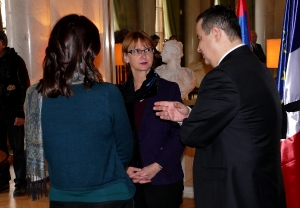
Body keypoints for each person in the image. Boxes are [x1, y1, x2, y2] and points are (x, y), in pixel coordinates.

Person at [153, 5, 286, 208]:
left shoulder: (222, 76)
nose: (198, 47)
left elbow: (192, 135)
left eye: (199, 37)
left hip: (234, 194)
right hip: (261, 188)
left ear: (216, 33)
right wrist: (188, 113)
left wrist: (187, 122)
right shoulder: (256, 65)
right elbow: (233, 117)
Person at [24, 14, 135, 207]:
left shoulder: (36, 95)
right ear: (90, 51)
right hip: (109, 196)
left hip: (62, 197)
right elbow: (125, 149)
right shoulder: (108, 93)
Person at [118, 30, 184, 208]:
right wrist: (123, 169)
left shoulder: (169, 89)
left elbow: (179, 133)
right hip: (129, 179)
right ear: (125, 57)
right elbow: (111, 138)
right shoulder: (118, 94)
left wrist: (157, 166)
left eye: (147, 49)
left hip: (163, 177)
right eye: (136, 51)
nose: (143, 55)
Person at [0, 31, 30, 196]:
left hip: (13, 111)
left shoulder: (16, 61)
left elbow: (24, 88)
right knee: (0, 149)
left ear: (2, 42)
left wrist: (21, 113)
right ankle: (2, 181)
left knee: (18, 147)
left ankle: (21, 182)